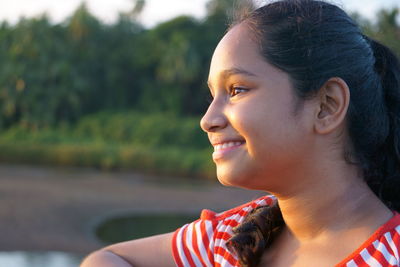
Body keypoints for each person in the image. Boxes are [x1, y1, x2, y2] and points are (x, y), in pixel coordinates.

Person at [80, 0, 400, 266]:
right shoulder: (230, 239)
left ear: (327, 106)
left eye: (236, 90)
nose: (208, 120)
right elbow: (107, 257)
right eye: (212, 96)